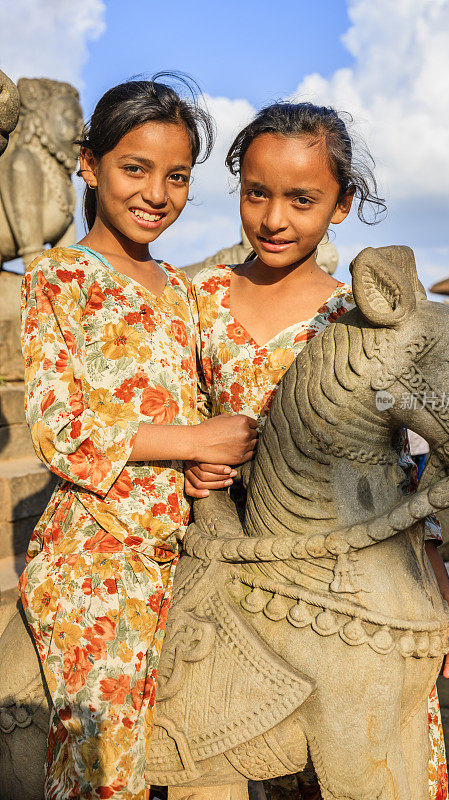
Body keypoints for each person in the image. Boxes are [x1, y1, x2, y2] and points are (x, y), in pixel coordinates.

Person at [186, 102, 449, 800]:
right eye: (257, 193)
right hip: (230, 569)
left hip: (351, 582)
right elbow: (175, 413)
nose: (274, 218)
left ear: (341, 205)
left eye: (301, 199)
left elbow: (400, 460)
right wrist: (191, 456)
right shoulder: (194, 302)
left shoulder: (359, 321)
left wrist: (433, 574)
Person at [18, 75, 258, 800]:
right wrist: (193, 442)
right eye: (135, 168)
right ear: (88, 164)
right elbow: (62, 431)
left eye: (177, 176)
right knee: (107, 772)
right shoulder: (61, 277)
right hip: (98, 560)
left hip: (182, 544)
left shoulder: (180, 290)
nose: (157, 192)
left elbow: (202, 410)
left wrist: (210, 465)